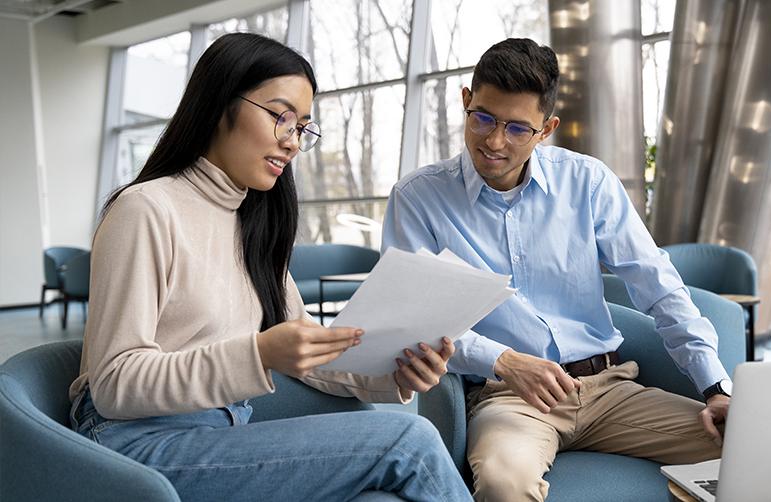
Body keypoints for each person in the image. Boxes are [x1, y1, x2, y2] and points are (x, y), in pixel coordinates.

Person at [68, 33, 471, 502]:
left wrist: (395, 374)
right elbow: (115, 383)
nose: (292, 141)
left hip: (219, 432)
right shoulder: (145, 209)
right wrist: (258, 354)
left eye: (302, 127)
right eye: (280, 116)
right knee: (411, 442)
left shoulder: (252, 221)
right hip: (132, 445)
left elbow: (306, 349)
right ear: (221, 104)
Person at [382, 38, 731, 502]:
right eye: (483, 117)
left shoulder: (588, 182)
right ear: (466, 101)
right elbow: (416, 319)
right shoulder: (418, 198)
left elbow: (658, 284)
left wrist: (714, 387)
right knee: (506, 485)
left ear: (546, 129)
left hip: (609, 390)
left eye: (517, 129)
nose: (493, 141)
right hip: (508, 397)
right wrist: (504, 361)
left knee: (753, 448)